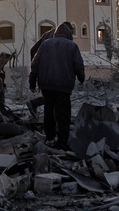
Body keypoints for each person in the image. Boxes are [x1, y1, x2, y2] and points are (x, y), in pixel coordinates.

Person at [28, 22, 85, 150]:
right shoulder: (72, 46)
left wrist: (32, 82)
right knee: (63, 115)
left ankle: (49, 139)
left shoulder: (45, 44)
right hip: (64, 86)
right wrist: (81, 78)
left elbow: (34, 64)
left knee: (49, 112)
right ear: (68, 34)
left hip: (46, 85)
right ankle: (62, 143)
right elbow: (78, 65)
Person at [26, 22, 76, 119]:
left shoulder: (48, 34)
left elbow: (33, 50)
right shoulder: (64, 38)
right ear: (68, 30)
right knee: (58, 94)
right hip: (56, 71)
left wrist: (36, 70)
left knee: (51, 93)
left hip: (46, 71)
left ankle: (36, 104)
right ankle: (36, 104)